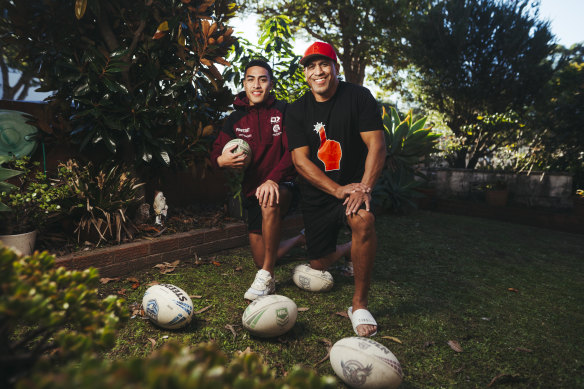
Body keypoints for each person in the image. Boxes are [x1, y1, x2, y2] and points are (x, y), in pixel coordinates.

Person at [285, 42, 386, 337]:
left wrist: (363, 187)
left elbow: (376, 145)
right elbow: (300, 161)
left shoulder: (358, 97)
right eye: (311, 66)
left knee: (364, 220)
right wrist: (337, 189)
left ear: (336, 68)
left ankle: (359, 304)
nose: (318, 71)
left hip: (354, 188)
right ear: (305, 73)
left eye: (324, 64)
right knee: (318, 263)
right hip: (319, 194)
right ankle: (347, 251)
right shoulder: (297, 109)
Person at [210, 59, 303, 301]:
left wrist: (273, 179)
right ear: (244, 84)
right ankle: (302, 237)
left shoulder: (284, 110)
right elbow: (216, 154)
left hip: (283, 184)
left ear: (270, 84)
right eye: (251, 79)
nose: (257, 85)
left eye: (263, 79)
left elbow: (293, 153)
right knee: (260, 258)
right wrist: (222, 161)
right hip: (252, 190)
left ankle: (268, 277)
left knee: (269, 200)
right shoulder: (234, 120)